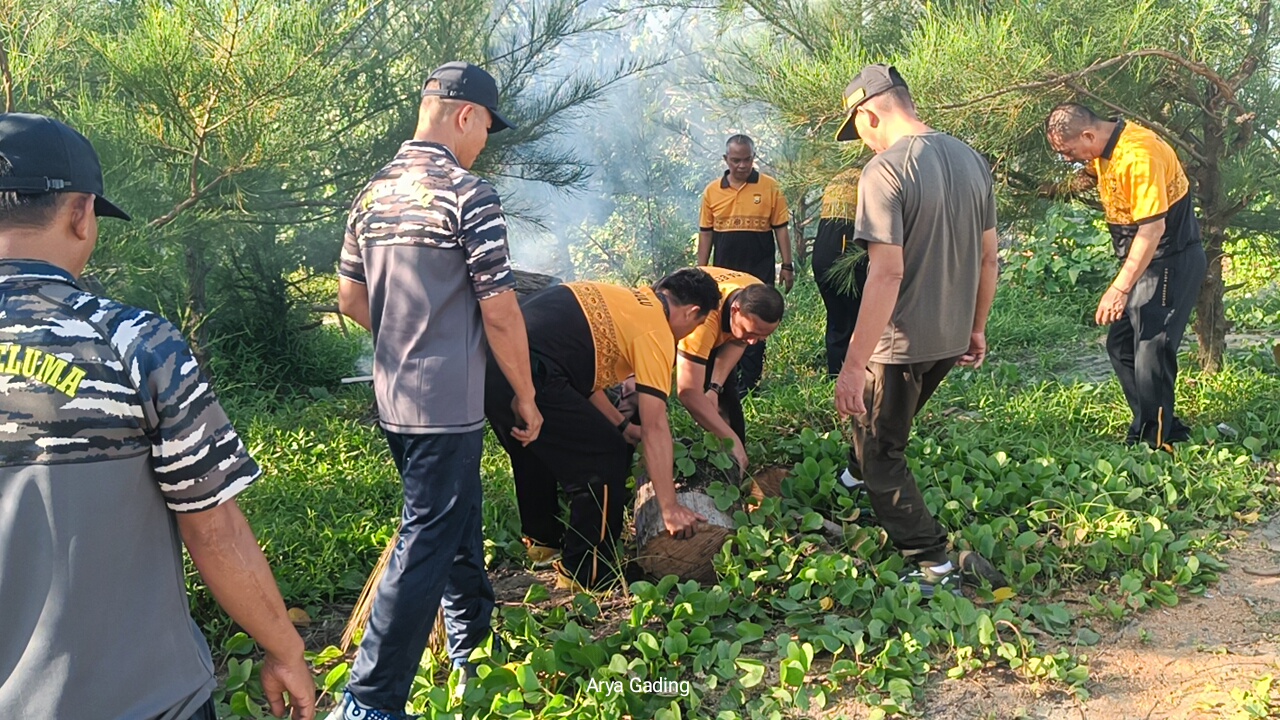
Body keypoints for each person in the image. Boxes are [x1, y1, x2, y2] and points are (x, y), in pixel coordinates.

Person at [0, 114, 314, 719]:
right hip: (144, 701)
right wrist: (285, 650)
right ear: (81, 213)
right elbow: (213, 530)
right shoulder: (133, 343)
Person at [334, 62, 542, 719]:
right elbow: (502, 310)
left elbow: (349, 298)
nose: (485, 139)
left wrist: (407, 336)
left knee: (456, 519)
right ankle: (371, 699)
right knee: (427, 536)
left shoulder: (373, 193)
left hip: (395, 393)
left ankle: (472, 645)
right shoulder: (465, 192)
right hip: (445, 401)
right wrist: (526, 394)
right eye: (486, 125)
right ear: (461, 115)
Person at [832, 65, 1004, 596]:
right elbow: (989, 259)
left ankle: (930, 559)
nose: (861, 141)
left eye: (857, 129)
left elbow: (887, 272)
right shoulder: (972, 160)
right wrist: (975, 328)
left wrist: (854, 363)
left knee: (883, 451)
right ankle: (856, 482)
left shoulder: (885, 171)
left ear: (868, 113)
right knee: (877, 430)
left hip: (899, 345)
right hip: (948, 337)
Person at [485, 268, 722, 591]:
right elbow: (655, 425)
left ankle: (543, 543)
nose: (688, 334)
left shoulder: (621, 298)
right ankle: (587, 573)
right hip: (534, 368)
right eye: (696, 325)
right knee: (603, 457)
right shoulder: (656, 329)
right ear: (693, 312)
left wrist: (622, 424)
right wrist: (669, 507)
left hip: (492, 364)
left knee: (536, 446)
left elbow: (582, 377)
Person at [1044, 103, 1207, 450]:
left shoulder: (1139, 154)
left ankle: (1159, 439)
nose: (1070, 159)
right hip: (1145, 262)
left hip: (1170, 259)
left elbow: (1152, 230)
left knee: (1151, 347)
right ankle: (1154, 422)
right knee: (1121, 344)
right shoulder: (1105, 146)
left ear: (1088, 134)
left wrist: (1119, 288)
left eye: (1069, 151)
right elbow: (1088, 174)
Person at [697, 134, 792, 397]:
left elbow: (781, 229)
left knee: (755, 325)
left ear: (753, 157)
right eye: (736, 160)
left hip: (758, 269)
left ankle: (750, 384)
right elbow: (706, 233)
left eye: (747, 159)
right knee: (722, 324)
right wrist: (700, 271)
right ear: (726, 160)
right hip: (724, 272)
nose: (742, 165)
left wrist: (787, 265)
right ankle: (722, 381)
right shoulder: (712, 191)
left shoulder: (770, 187)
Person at [673, 267, 784, 473]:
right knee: (642, 396)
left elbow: (738, 342)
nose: (753, 342)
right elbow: (688, 392)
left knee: (727, 397)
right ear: (735, 310)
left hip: (719, 327)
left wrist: (714, 388)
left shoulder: (754, 294)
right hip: (671, 325)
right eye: (751, 332)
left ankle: (732, 469)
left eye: (761, 337)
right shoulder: (703, 323)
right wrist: (730, 439)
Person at [811, 167, 869, 377]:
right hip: (849, 255)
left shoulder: (839, 177)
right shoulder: (871, 177)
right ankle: (859, 375)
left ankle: (835, 374)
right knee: (860, 319)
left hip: (822, 255)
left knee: (837, 320)